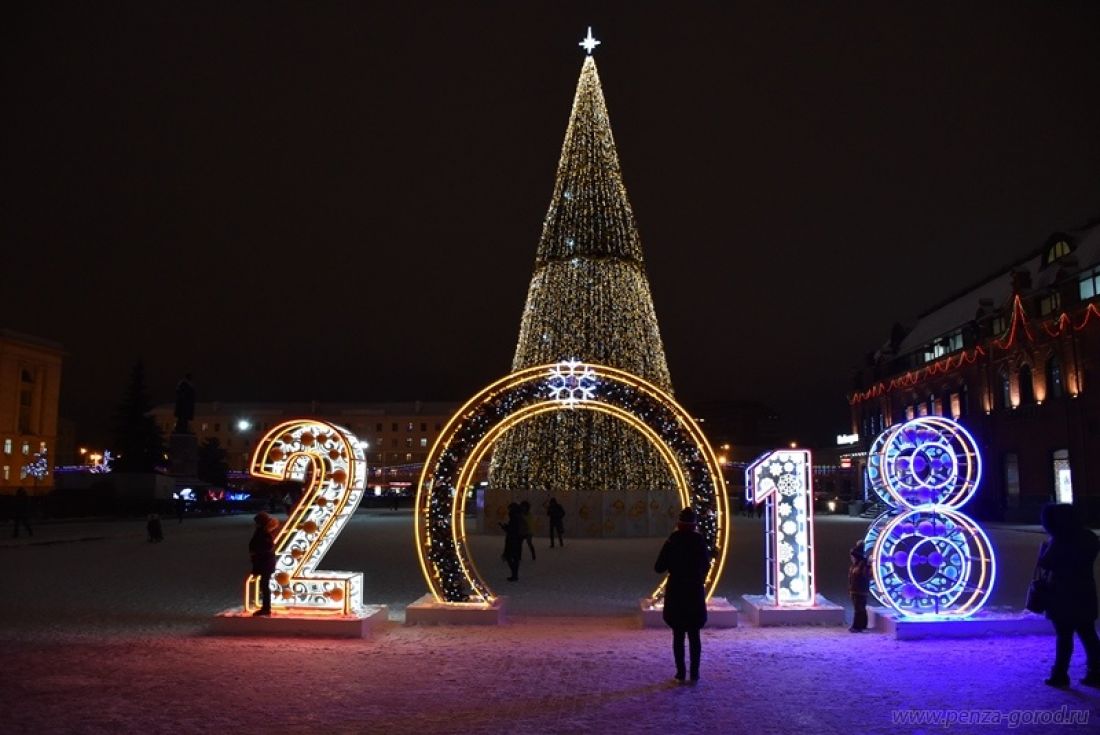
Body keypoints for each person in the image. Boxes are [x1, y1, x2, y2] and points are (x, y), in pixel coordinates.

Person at [1034, 503, 1100, 688]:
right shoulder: (1089, 537)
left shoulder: (1060, 540)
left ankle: (1060, 675)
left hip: (1062, 593)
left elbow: (1046, 564)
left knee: (1064, 636)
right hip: (1085, 590)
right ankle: (1095, 671)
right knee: (1088, 633)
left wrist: (1045, 549)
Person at [654, 507, 710, 683]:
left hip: (677, 590)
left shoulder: (673, 540)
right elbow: (706, 565)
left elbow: (659, 567)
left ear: (679, 523)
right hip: (693, 590)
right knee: (694, 635)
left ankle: (680, 672)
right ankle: (694, 673)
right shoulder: (699, 541)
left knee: (678, 635)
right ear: (694, 525)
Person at [249, 512, 279, 616]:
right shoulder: (263, 532)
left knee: (264, 586)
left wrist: (256, 551)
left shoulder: (263, 533)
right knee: (264, 586)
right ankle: (265, 607)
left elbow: (266, 547)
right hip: (264, 563)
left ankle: (266, 608)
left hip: (264, 563)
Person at [848, 540, 871, 632]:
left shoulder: (862, 565)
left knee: (859, 608)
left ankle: (858, 626)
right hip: (856, 589)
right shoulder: (858, 565)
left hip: (860, 590)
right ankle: (861, 625)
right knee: (860, 608)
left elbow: (865, 576)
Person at [500, 503, 524, 581]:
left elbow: (511, 529)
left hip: (512, 540)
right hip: (518, 540)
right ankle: (515, 574)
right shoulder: (519, 517)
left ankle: (514, 574)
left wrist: (504, 527)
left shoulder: (514, 517)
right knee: (515, 558)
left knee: (509, 557)